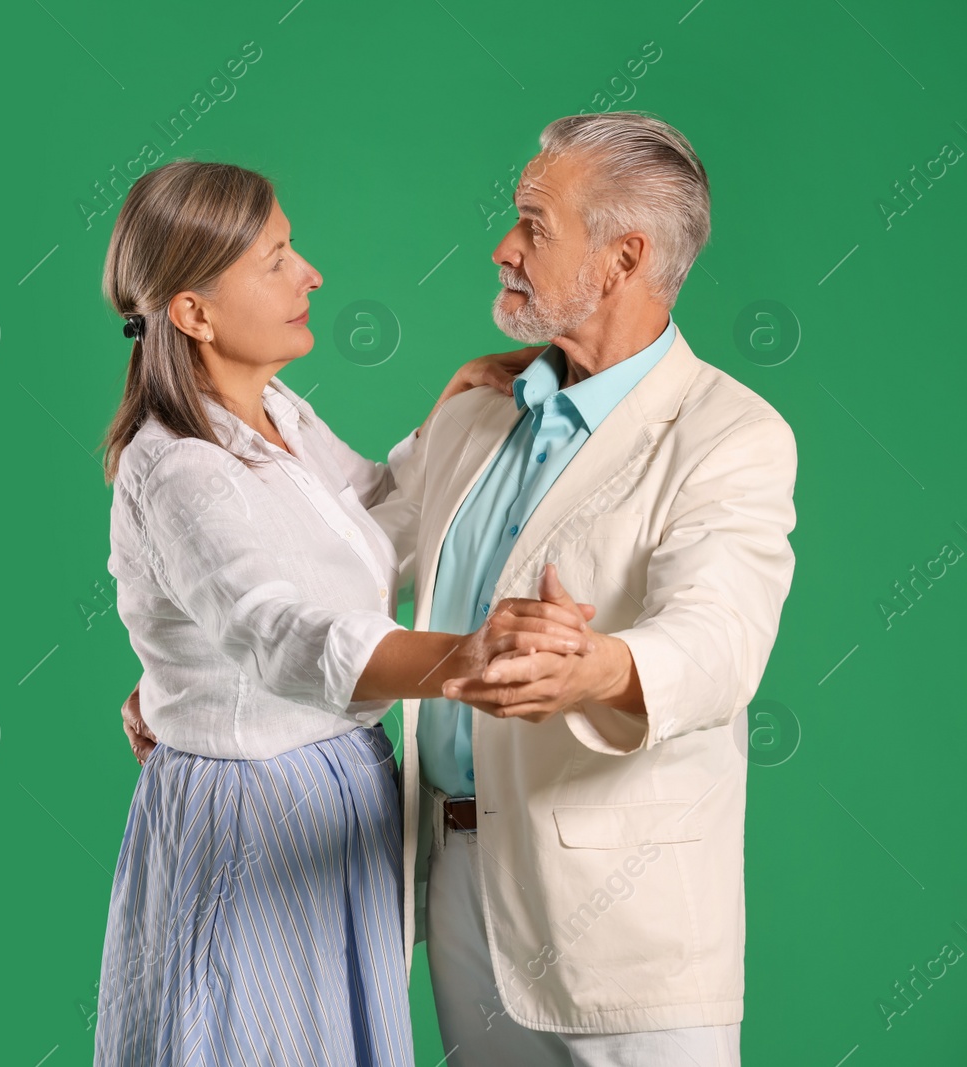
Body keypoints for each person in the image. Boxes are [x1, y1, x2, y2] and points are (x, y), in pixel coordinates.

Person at [93, 159, 598, 1066]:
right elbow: (279, 632)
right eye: (275, 257)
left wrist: (455, 407)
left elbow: (378, 521)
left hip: (340, 805)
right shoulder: (174, 468)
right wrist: (465, 658)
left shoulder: (274, 412)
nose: (310, 273)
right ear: (194, 314)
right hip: (257, 821)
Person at [364, 111, 799, 1066]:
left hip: (628, 933)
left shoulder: (730, 433)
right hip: (454, 890)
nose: (502, 247)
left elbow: (721, 638)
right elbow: (339, 554)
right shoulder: (477, 411)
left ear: (622, 257)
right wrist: (192, 673)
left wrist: (600, 666)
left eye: (533, 224)